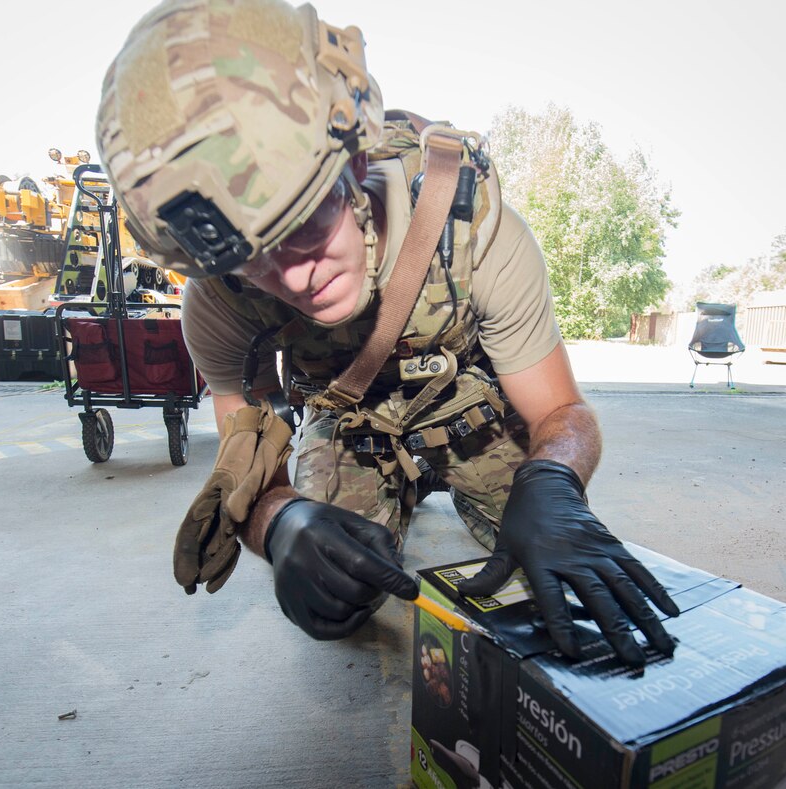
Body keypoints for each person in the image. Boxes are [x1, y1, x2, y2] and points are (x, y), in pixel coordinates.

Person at [95, 0, 678, 667]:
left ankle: (448, 479)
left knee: (538, 568)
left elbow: (561, 412)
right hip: (349, 417)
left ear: (351, 159)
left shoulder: (473, 230)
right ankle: (391, 485)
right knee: (342, 590)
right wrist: (278, 520)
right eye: (250, 257)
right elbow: (244, 460)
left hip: (464, 404)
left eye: (305, 221)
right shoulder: (218, 303)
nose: (294, 274)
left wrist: (553, 479)